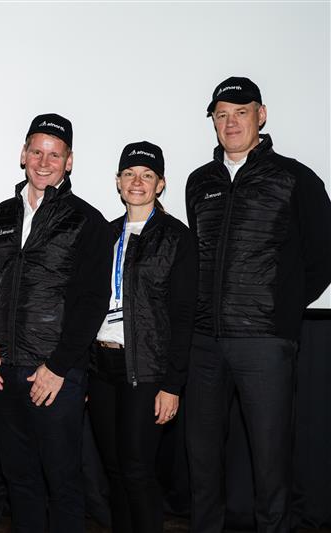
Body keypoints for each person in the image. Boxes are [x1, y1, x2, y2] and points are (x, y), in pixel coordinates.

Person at [185, 76, 331, 533]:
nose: (230, 122)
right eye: (221, 115)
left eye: (241, 112)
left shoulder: (296, 178)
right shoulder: (199, 182)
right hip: (204, 343)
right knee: (202, 461)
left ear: (261, 115)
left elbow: (323, 256)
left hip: (265, 343)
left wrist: (281, 308)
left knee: (270, 462)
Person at [0, 114, 112, 533]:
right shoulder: (1, 215)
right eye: (36, 151)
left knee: (63, 481)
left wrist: (58, 366)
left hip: (55, 373)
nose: (43, 162)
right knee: (19, 480)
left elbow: (93, 302)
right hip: (4, 370)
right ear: (23, 154)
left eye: (54, 155)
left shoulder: (87, 220)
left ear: (69, 161)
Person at [87, 141, 197, 533]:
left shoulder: (176, 237)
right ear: (118, 182)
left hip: (147, 369)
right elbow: (86, 304)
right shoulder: (104, 234)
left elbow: (183, 316)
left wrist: (172, 384)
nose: (137, 182)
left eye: (147, 175)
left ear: (160, 184)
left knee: (137, 469)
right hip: (101, 365)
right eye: (130, 174)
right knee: (114, 471)